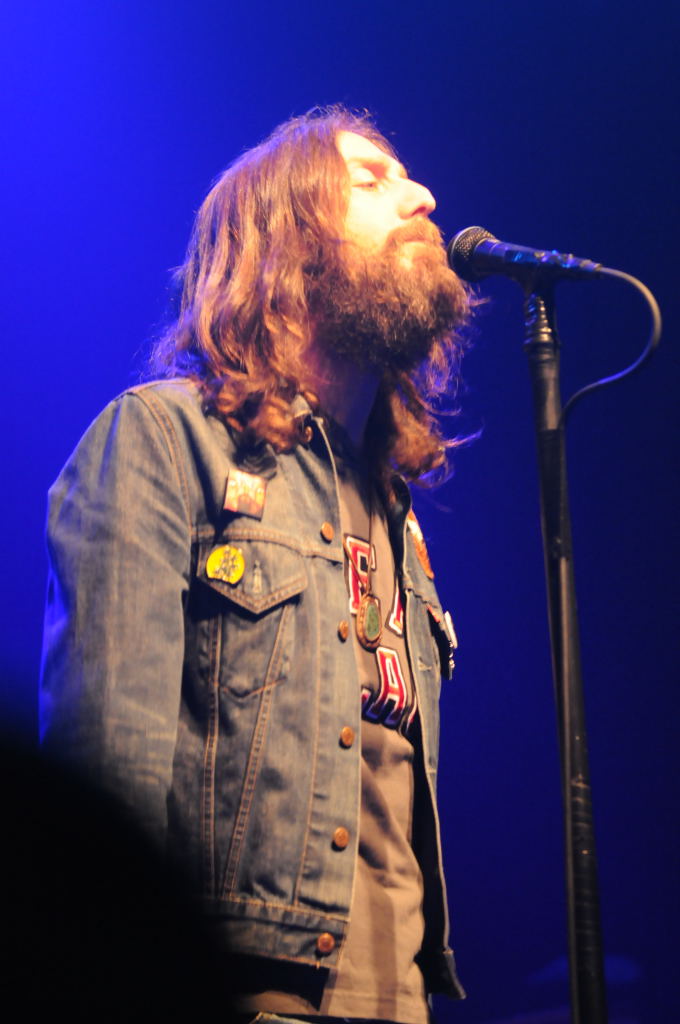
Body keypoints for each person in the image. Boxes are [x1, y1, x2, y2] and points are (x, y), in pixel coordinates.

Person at [40, 106, 474, 1023]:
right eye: (371, 180)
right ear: (289, 242)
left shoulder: (397, 515)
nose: (423, 198)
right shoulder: (164, 441)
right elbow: (102, 794)